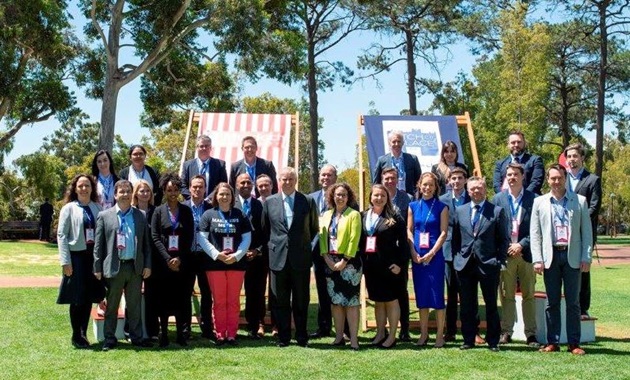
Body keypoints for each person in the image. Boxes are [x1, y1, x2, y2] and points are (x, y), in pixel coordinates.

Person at [531, 164, 592, 355]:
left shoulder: (579, 201)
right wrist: (537, 259)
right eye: (553, 178)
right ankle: (553, 341)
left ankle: (574, 343)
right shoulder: (539, 202)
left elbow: (587, 233)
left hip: (572, 256)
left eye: (560, 178)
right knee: (552, 302)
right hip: (550, 257)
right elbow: (535, 234)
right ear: (548, 180)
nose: (556, 182)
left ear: (565, 178)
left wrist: (586, 256)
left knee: (574, 302)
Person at [262, 167, 318, 347]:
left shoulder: (307, 201)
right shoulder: (269, 202)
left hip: (300, 259)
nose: (287, 182)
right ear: (279, 180)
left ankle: (302, 337)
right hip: (277, 259)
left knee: (301, 300)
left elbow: (314, 228)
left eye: (291, 179)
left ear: (296, 181)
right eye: (284, 179)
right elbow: (265, 230)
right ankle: (284, 337)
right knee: (280, 301)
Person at [94, 179, 152, 351]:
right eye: (122, 191)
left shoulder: (140, 215)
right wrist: (97, 267)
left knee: (134, 306)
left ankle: (136, 337)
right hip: (113, 266)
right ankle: (109, 338)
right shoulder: (104, 216)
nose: (125, 194)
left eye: (128, 191)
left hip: (135, 267)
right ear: (115, 194)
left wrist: (147, 265)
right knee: (112, 306)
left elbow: (146, 244)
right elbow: (99, 246)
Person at [452, 176, 509, 352]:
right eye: (473, 189)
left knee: (491, 303)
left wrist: (498, 261)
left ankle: (493, 341)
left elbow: (503, 239)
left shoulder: (497, 211)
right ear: (468, 191)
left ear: (485, 190)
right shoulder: (460, 211)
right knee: (467, 304)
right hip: (465, 264)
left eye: (479, 188)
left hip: (488, 264)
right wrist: (457, 258)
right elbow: (455, 239)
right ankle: (468, 339)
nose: (476, 191)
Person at [198, 182, 252, 346]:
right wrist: (217, 255)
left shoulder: (240, 215)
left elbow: (247, 238)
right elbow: (201, 238)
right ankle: (220, 334)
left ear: (232, 197)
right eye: (221, 194)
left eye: (227, 194)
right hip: (215, 265)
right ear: (216, 196)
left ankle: (232, 334)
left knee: (233, 301)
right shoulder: (208, 214)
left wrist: (236, 256)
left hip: (236, 264)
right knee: (219, 300)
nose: (224, 197)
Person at [492, 163, 539, 347]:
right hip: (506, 255)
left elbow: (537, 229)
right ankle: (506, 332)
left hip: (526, 253)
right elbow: (494, 228)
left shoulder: (534, 199)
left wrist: (521, 244)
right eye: (509, 175)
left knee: (529, 294)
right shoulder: (497, 199)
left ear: (522, 177)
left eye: (515, 174)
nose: (512, 177)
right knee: (506, 295)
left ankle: (531, 334)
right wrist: (506, 247)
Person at [56, 174, 104, 348]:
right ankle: (76, 335)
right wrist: (65, 261)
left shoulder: (98, 208)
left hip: (93, 258)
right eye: (80, 186)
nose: (84, 189)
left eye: (87, 186)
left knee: (88, 297)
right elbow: (61, 235)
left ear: (92, 188)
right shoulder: (68, 208)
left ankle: (83, 333)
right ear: (75, 189)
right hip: (76, 258)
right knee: (77, 298)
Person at [360, 184, 407, 349]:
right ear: (370, 197)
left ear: (387, 198)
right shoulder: (363, 216)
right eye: (376, 195)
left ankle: (392, 336)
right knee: (378, 301)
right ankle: (380, 333)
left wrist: (400, 264)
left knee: (391, 301)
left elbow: (403, 243)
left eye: (382, 196)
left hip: (390, 267)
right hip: (371, 267)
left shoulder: (394, 217)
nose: (379, 198)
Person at [151, 173, 194, 347]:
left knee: (181, 299)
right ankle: (164, 334)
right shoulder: (158, 211)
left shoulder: (186, 210)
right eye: (169, 190)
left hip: (182, 263)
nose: (173, 193)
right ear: (164, 191)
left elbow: (190, 236)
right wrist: (168, 259)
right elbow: (155, 236)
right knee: (164, 299)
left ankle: (181, 334)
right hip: (164, 264)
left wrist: (179, 259)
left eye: (176, 190)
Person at [319, 183, 362, 350]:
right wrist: (326, 258)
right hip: (330, 261)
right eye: (337, 194)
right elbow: (322, 238)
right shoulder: (326, 214)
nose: (340, 197)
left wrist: (344, 260)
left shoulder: (354, 215)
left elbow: (354, 238)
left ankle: (353, 339)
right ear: (332, 196)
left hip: (350, 263)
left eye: (344, 194)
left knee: (351, 302)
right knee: (336, 302)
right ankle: (338, 337)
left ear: (348, 197)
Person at [408, 173, 449, 348]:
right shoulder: (412, 206)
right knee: (422, 296)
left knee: (437, 297)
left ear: (436, 187)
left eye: (431, 185)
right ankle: (424, 334)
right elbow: (409, 231)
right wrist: (412, 251)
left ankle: (439, 335)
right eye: (424, 185)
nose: (427, 188)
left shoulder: (442, 207)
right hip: (417, 258)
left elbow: (443, 233)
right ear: (419, 185)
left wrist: (432, 253)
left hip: (435, 257)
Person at [564, 143, 601, 320]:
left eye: (575, 156)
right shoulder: (561, 178)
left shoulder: (592, 180)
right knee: (563, 266)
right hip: (562, 232)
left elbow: (595, 206)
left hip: (584, 232)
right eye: (569, 157)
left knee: (582, 268)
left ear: (582, 158)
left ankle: (583, 307)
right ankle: (566, 304)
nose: (572, 159)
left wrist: (579, 221)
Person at [233, 173, 267, 339]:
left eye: (248, 182)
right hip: (235, 257)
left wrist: (257, 250)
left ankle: (257, 324)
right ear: (236, 184)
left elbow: (265, 231)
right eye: (242, 182)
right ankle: (232, 324)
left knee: (256, 292)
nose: (245, 185)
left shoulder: (260, 205)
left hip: (255, 257)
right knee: (233, 292)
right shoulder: (230, 204)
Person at [381, 167, 412, 341]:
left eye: (393, 178)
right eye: (387, 178)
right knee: (383, 293)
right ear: (382, 179)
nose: (390, 181)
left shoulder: (407, 198)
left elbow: (409, 226)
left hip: (400, 252)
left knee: (401, 292)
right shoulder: (378, 197)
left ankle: (404, 328)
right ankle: (383, 329)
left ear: (398, 179)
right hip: (382, 254)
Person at [438, 167, 470, 342]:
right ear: (449, 181)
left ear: (465, 180)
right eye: (453, 178)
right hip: (449, 251)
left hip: (467, 251)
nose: (456, 181)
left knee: (468, 292)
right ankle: (450, 330)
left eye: (459, 178)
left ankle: (471, 329)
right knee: (450, 292)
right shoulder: (442, 200)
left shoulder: (472, 197)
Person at [182, 175, 214, 340]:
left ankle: (207, 327)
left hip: (205, 256)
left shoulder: (211, 208)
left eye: (200, 187)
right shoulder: (182, 207)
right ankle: (185, 328)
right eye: (194, 186)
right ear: (189, 188)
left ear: (205, 188)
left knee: (207, 293)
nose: (197, 189)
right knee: (185, 293)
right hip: (187, 256)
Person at [308, 164, 338, 339]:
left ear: (335, 177)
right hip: (316, 250)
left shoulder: (342, 196)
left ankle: (345, 329)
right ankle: (324, 327)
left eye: (329, 175)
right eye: (323, 175)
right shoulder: (311, 198)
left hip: (336, 252)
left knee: (339, 289)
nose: (325, 178)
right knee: (322, 290)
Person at [129, 180, 159, 338]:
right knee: (132, 296)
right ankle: (130, 328)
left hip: (153, 260)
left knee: (152, 296)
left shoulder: (157, 211)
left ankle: (153, 331)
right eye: (141, 191)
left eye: (148, 191)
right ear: (135, 194)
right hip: (134, 259)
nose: (145, 194)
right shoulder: (130, 212)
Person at [493, 130, 545, 195]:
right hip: (506, 202)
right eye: (513, 142)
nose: (516, 145)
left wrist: (522, 197)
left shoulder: (535, 160)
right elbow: (496, 185)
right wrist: (505, 198)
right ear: (508, 145)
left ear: (524, 143)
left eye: (519, 142)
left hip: (530, 201)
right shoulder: (500, 164)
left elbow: (536, 182)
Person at [372, 130, 422, 196]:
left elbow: (419, 181)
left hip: (409, 198)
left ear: (403, 143)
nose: (396, 144)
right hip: (388, 199)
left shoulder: (412, 159)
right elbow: (376, 183)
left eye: (399, 141)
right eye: (394, 142)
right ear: (389, 143)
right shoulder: (382, 160)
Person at [181, 135, 228, 200]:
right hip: (192, 204)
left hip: (212, 204)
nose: (204, 148)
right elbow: (183, 185)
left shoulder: (220, 165)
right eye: (201, 146)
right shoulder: (187, 165)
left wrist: (209, 199)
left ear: (210, 148)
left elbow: (222, 184)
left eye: (206, 146)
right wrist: (193, 198)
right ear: (197, 148)